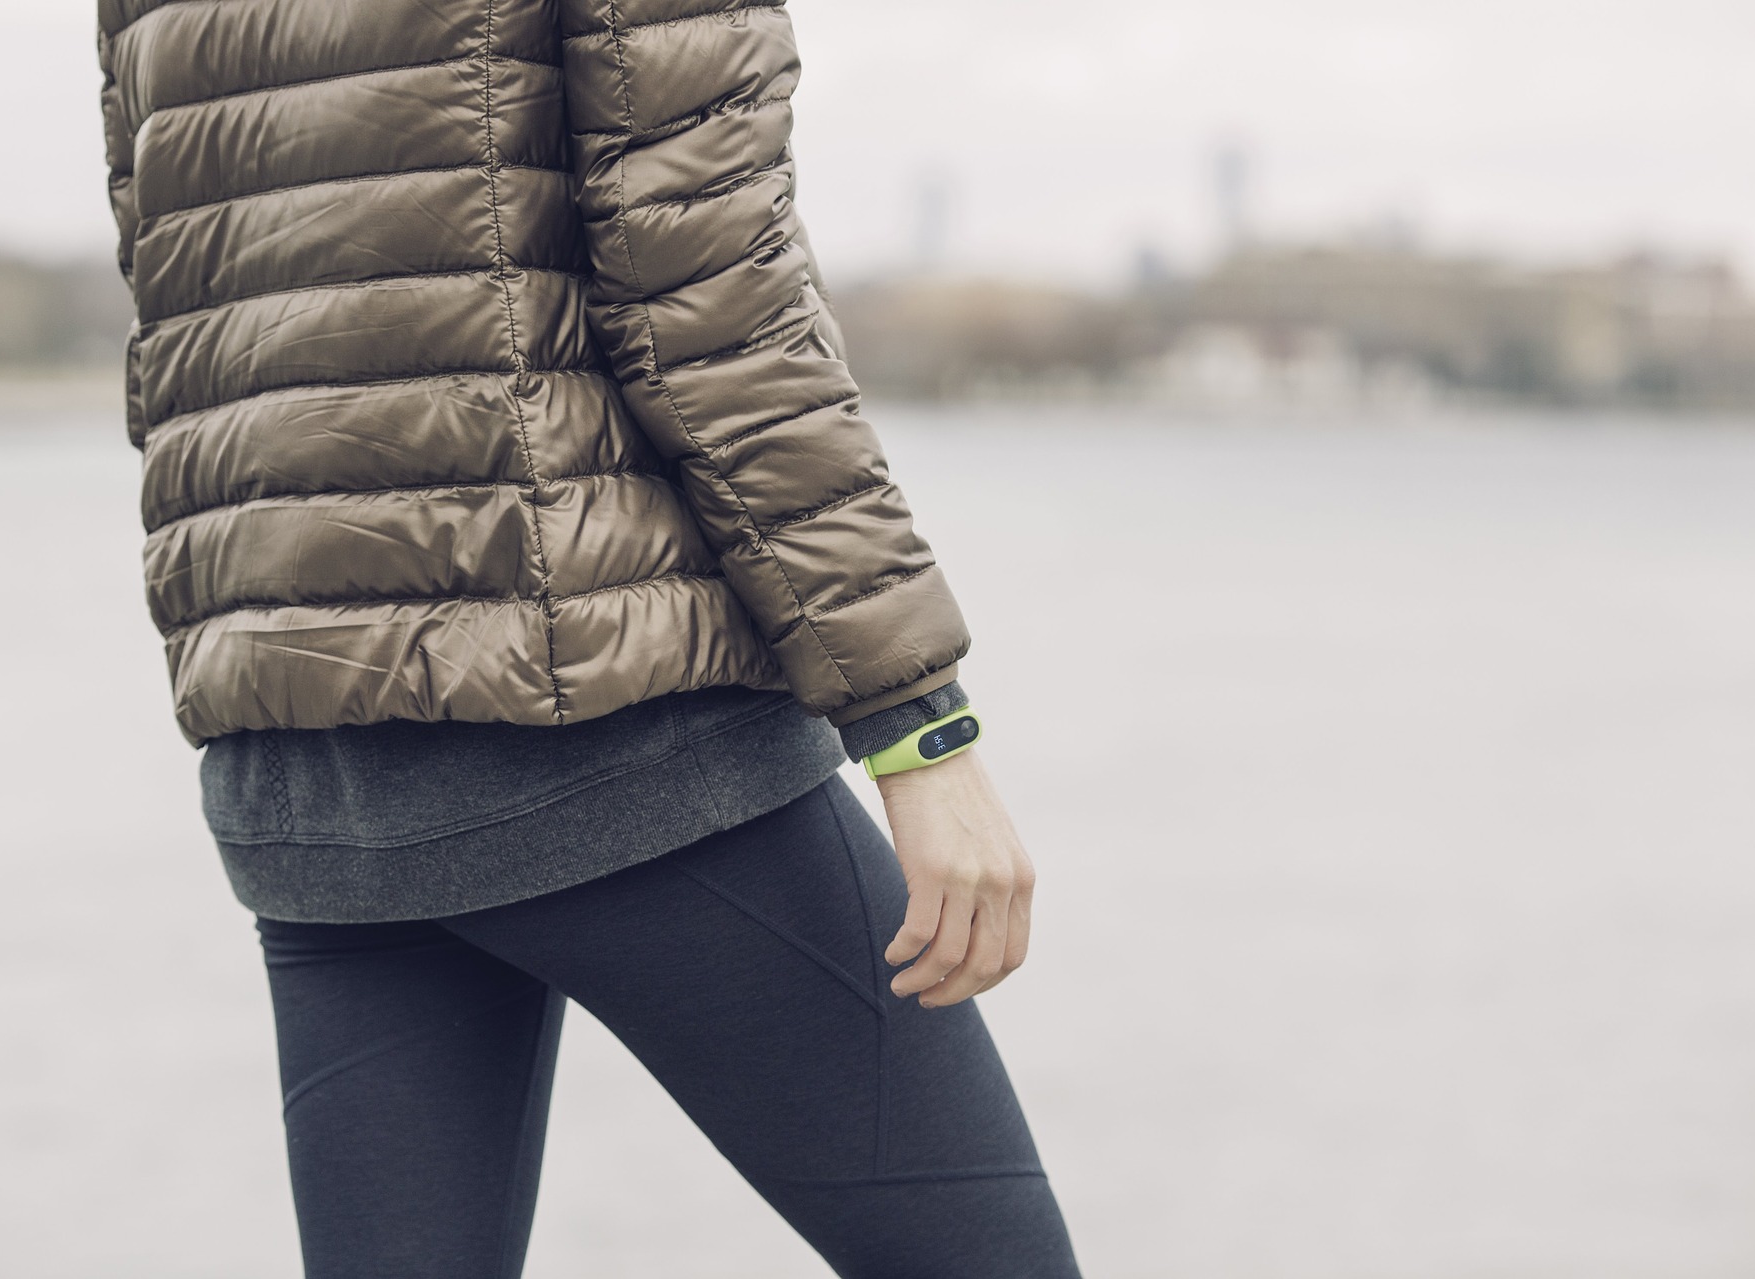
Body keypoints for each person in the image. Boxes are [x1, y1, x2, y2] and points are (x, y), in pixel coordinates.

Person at [96, 0, 1080, 1274]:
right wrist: (918, 726)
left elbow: (179, 296)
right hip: (613, 738)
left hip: (306, 765)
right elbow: (715, 308)